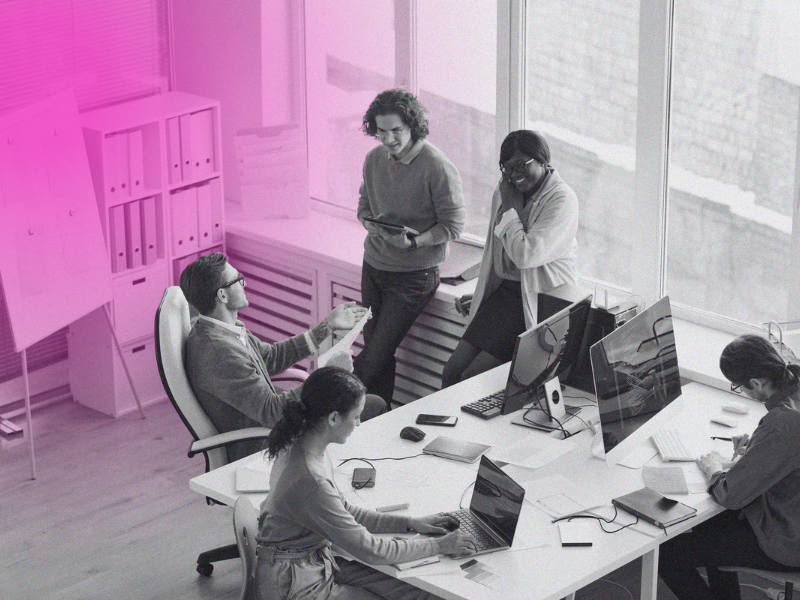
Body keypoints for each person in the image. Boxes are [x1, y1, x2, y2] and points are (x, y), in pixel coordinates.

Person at [256, 366, 477, 600]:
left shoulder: (306, 445)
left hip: (312, 563)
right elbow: (370, 549)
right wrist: (439, 546)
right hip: (295, 585)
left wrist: (410, 523)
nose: (359, 423)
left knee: (420, 593)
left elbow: (344, 510)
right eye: (356, 416)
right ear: (333, 418)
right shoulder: (311, 479)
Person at [180, 253, 386, 463]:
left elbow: (270, 357)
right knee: (371, 407)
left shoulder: (223, 329)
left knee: (366, 406)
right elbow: (271, 412)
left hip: (273, 422)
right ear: (223, 295)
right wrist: (328, 376)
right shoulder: (220, 354)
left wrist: (327, 326)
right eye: (238, 279)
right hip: (264, 442)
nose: (245, 283)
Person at [658, 334, 800, 600]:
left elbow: (730, 495)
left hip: (790, 540)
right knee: (707, 526)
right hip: (792, 513)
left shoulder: (783, 423)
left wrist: (713, 468)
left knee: (666, 554)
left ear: (756, 383)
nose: (742, 392)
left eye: (739, 387)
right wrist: (753, 454)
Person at [441, 130, 578, 388]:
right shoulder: (505, 190)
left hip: (540, 301)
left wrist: (511, 209)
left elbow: (526, 255)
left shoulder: (562, 199)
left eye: (521, 166)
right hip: (506, 295)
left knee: (472, 381)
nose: (515, 176)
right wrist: (484, 294)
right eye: (507, 169)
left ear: (543, 160)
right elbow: (495, 253)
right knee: (451, 372)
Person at [356, 89, 465, 406]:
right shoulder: (374, 159)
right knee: (379, 356)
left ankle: (318, 411)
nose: (388, 139)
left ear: (413, 126)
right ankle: (373, 424)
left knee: (370, 360)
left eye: (396, 131)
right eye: (381, 131)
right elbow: (363, 205)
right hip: (374, 266)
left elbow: (453, 226)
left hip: (414, 276)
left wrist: (414, 242)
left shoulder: (437, 167)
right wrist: (371, 223)